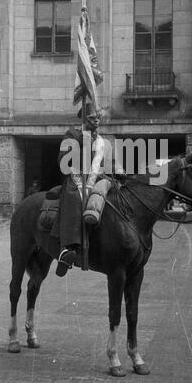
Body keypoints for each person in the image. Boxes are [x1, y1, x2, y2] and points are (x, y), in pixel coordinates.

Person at [51, 103, 124, 277]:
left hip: (97, 177)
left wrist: (118, 171)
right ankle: (66, 248)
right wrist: (80, 147)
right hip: (77, 177)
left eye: (98, 117)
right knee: (75, 197)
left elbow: (109, 160)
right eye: (92, 118)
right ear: (84, 119)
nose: (97, 120)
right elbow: (63, 160)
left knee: (115, 195)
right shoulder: (72, 135)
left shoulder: (102, 140)